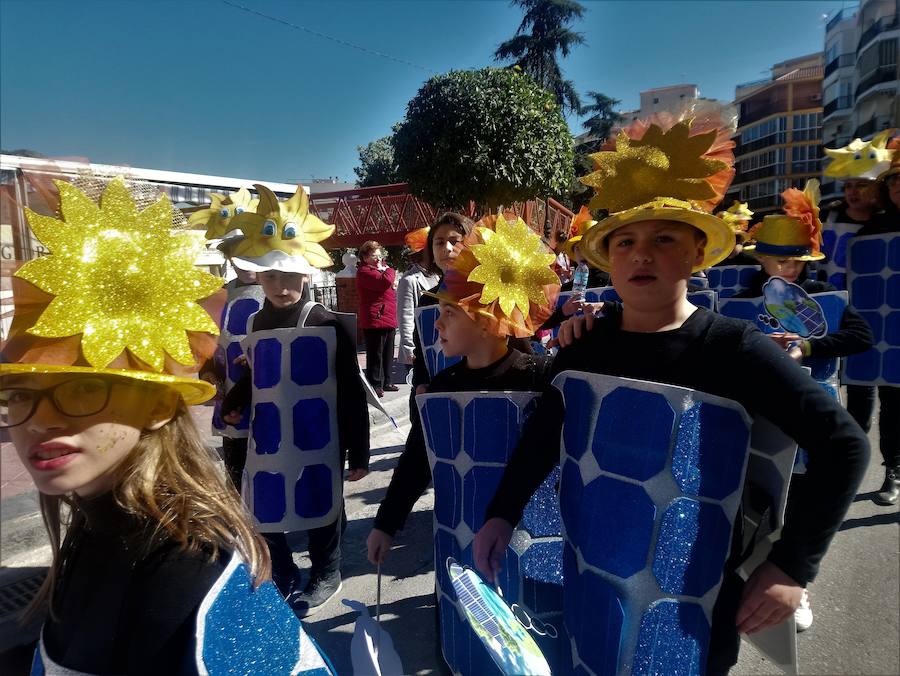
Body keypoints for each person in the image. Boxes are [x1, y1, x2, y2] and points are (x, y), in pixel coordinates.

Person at [473, 112, 869, 675]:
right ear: (608, 258)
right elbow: (544, 435)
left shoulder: (735, 348)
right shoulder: (584, 347)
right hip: (593, 582)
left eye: (664, 239)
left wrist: (790, 567)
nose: (642, 253)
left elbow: (844, 445)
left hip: (696, 606)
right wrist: (500, 514)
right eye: (626, 241)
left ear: (696, 254)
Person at [0, 178, 332, 673]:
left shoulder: (188, 574)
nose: (40, 420)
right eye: (19, 395)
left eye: (84, 388)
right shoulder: (89, 532)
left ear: (157, 405)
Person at [367, 213, 558, 565]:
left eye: (450, 313)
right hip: (458, 541)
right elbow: (418, 458)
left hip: (526, 552)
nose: (436, 322)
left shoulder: (541, 379)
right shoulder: (442, 387)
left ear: (487, 322)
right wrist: (387, 523)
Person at [222, 184, 369, 617]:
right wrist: (237, 397)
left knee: (321, 503)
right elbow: (256, 371)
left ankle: (327, 571)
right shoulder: (254, 320)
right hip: (268, 434)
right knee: (264, 504)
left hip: (319, 434)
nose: (281, 285)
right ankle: (282, 569)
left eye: (289, 276)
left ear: (306, 275)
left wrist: (358, 449)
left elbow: (350, 388)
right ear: (258, 276)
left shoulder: (325, 321)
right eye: (270, 276)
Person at [734, 180, 873, 631]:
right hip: (757, 418)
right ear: (760, 258)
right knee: (759, 498)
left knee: (800, 499)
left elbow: (861, 338)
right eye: (778, 260)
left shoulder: (827, 298)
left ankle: (795, 582)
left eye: (795, 261)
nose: (786, 269)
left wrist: (806, 347)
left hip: (811, 416)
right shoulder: (740, 301)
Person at [824, 133, 899, 507]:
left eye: (862, 185)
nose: (854, 192)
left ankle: (892, 471)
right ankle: (848, 468)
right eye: (848, 185)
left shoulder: (888, 224)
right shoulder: (830, 218)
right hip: (842, 321)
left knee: (891, 399)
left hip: (888, 325)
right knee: (856, 398)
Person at [541, 205, 607, 331]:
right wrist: (563, 311)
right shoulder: (564, 290)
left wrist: (604, 306)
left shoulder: (615, 281)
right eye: (578, 248)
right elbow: (543, 324)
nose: (583, 253)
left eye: (588, 248)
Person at [356, 240, 399, 396]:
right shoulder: (364, 272)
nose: (378, 258)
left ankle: (387, 381)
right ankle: (374, 384)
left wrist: (386, 271)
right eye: (374, 255)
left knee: (388, 352)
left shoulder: (380, 270)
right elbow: (385, 282)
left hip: (387, 316)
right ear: (365, 257)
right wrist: (389, 270)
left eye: (379, 255)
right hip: (375, 318)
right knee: (376, 354)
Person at [396, 227, 440, 375]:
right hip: (419, 346)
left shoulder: (438, 276)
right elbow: (406, 316)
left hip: (437, 344)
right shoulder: (409, 280)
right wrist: (410, 348)